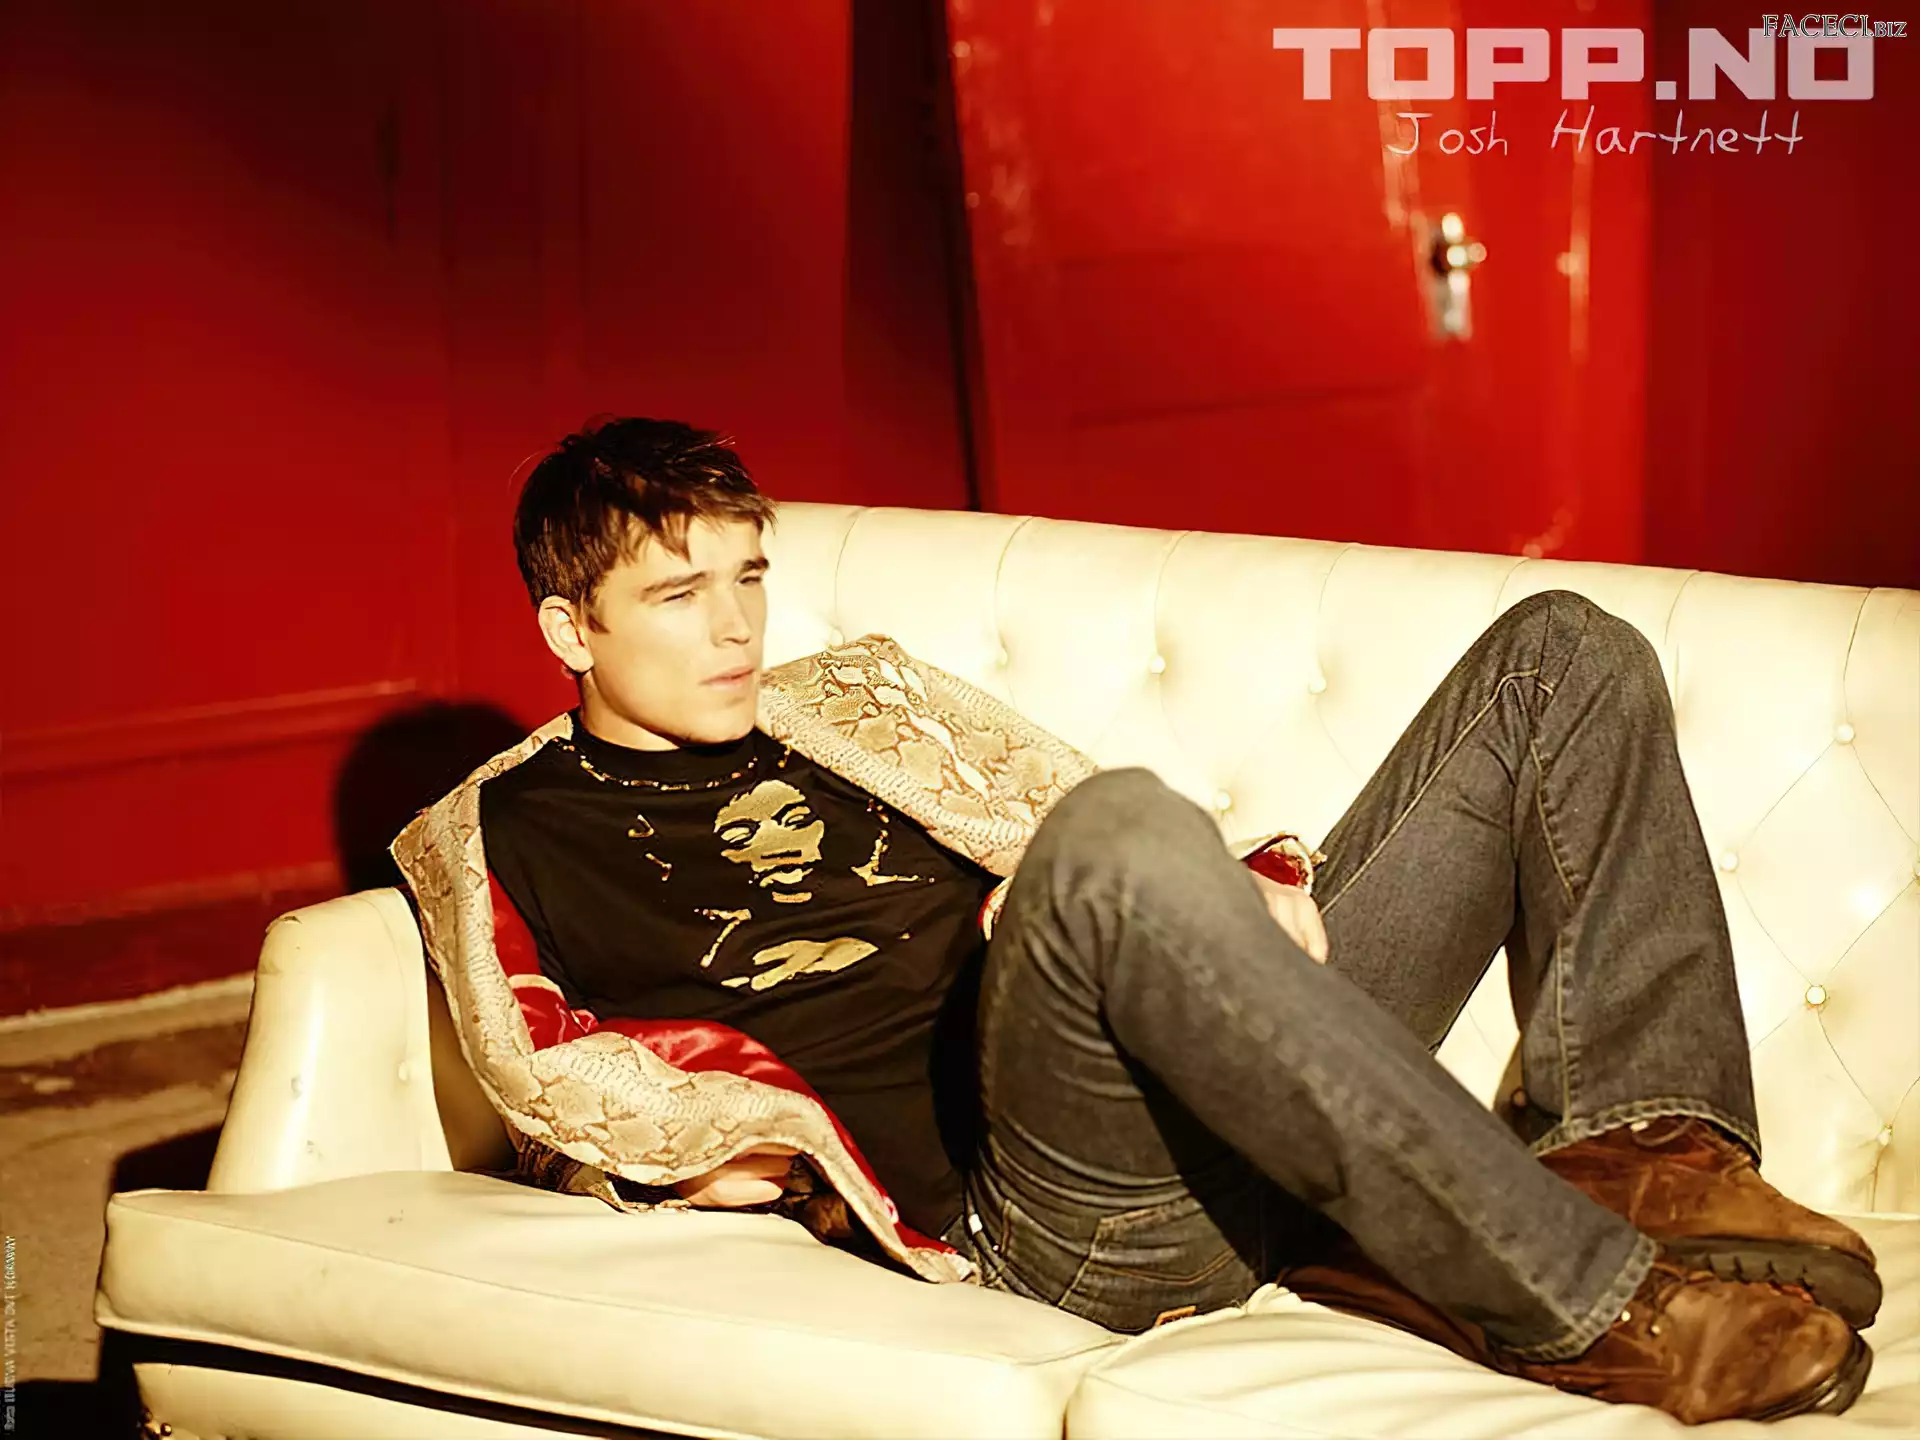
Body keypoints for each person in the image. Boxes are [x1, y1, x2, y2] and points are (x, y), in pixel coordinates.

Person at [400, 417, 1880, 1426]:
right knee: (1112, 838)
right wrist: (694, 1167)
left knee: (1563, 654)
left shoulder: (849, 701)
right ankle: (1598, 1304)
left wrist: (1227, 894)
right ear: (569, 626)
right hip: (1057, 1204)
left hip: (1202, 1038)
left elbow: (1067, 812)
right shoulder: (507, 833)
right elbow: (538, 1076)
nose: (736, 627)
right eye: (678, 595)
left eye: (748, 576)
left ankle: (1648, 1147)